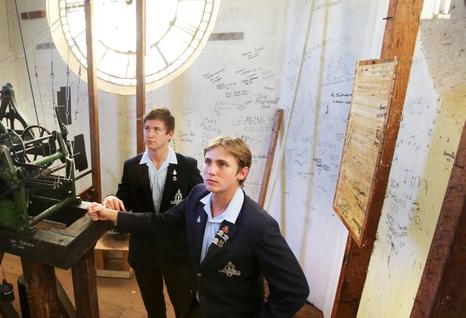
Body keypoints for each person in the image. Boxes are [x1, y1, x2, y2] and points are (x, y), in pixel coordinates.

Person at [89, 136, 309, 318]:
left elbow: (294, 291)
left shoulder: (259, 226)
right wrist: (114, 215)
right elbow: (161, 222)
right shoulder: (198, 196)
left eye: (222, 164)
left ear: (242, 173)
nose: (211, 170)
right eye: (208, 161)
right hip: (193, 306)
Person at [103, 108, 203, 318]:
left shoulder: (187, 166)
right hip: (144, 251)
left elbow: (200, 204)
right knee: (153, 307)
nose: (150, 134)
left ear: (170, 134)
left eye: (157, 129)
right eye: (147, 128)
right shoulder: (132, 166)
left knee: (185, 307)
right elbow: (124, 199)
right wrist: (112, 199)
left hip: (177, 252)